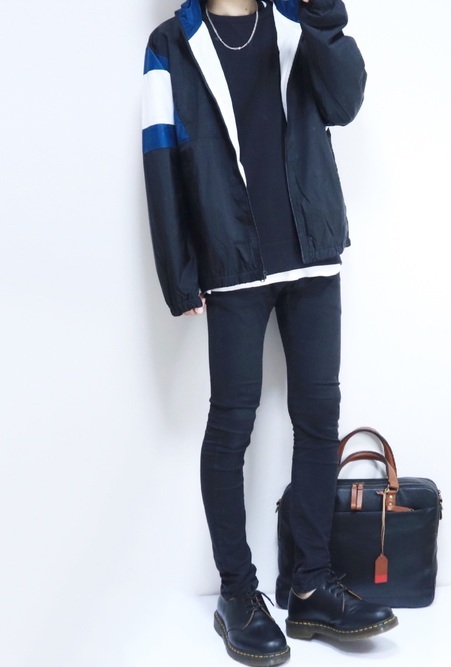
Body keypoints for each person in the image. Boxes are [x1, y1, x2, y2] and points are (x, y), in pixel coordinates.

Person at [142, 0, 398, 664]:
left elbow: (344, 102)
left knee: (318, 418)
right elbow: (160, 157)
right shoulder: (170, 44)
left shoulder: (295, 18)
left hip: (312, 251)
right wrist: (179, 273)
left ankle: (310, 585)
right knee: (232, 424)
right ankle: (237, 593)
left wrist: (324, 15)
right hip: (232, 261)